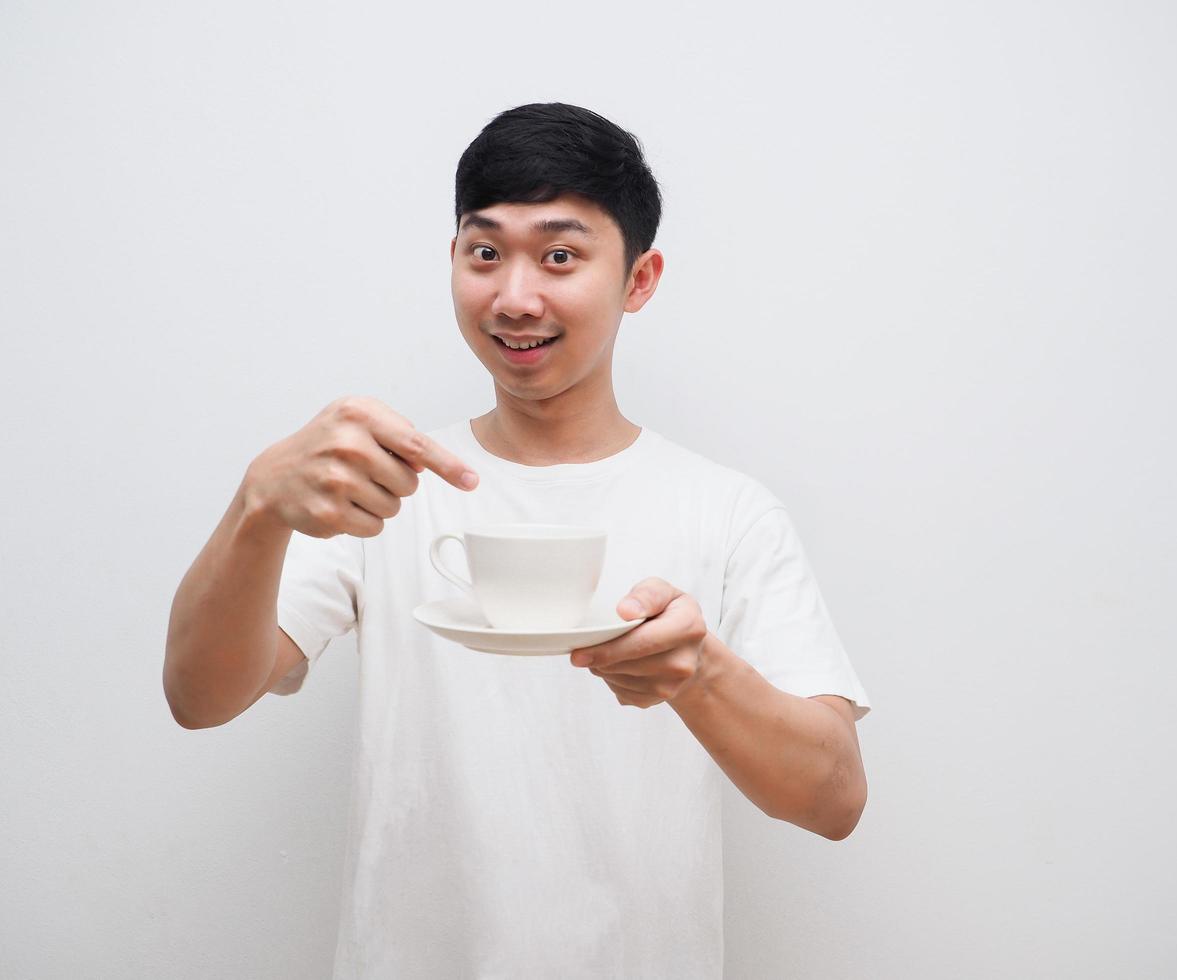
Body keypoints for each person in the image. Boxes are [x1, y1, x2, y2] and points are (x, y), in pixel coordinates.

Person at [164, 102, 872, 979]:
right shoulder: (384, 484)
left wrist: (701, 674)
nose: (514, 298)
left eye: (561, 256)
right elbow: (199, 698)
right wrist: (255, 508)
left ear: (639, 279)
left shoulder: (725, 510)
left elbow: (834, 798)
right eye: (485, 251)